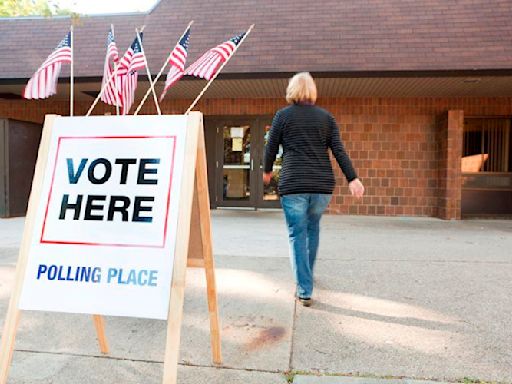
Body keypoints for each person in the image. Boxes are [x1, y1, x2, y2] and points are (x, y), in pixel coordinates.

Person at [263, 72, 364, 307]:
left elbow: (271, 147)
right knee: (312, 228)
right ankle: (306, 277)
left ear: (292, 90)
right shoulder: (326, 118)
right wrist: (353, 178)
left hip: (294, 184)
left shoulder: (283, 116)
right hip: (321, 186)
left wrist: (267, 171)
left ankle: (304, 287)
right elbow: (338, 150)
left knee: (297, 234)